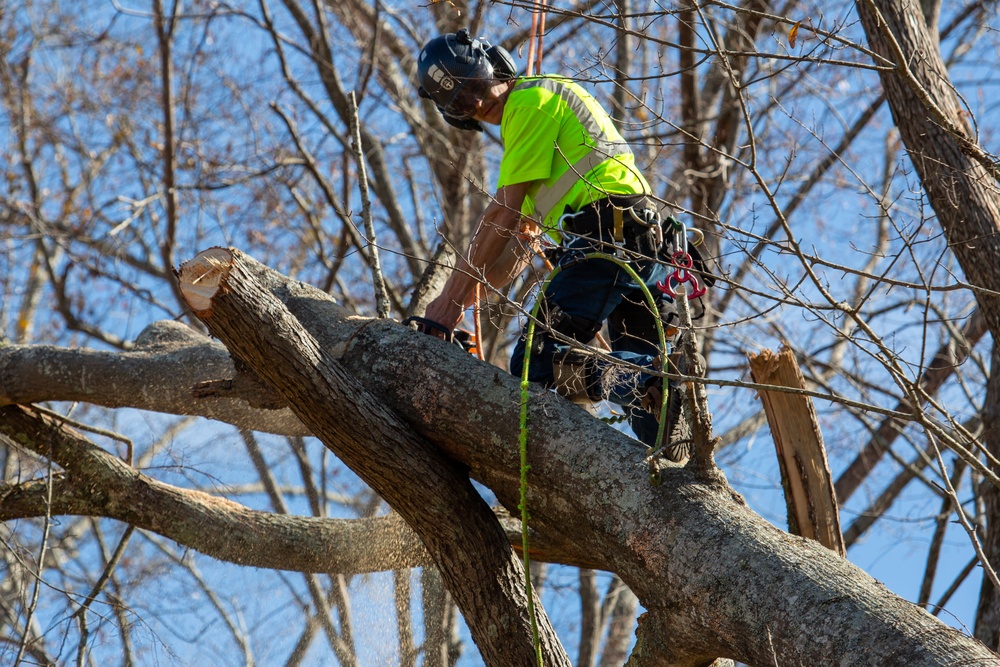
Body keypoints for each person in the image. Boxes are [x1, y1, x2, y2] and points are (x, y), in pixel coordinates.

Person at [416, 29, 691, 455]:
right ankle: (679, 456)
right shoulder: (542, 118)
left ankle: (653, 379)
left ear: (493, 67)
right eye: (462, 102)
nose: (478, 103)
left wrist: (445, 308)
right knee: (651, 408)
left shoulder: (527, 104)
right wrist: (469, 301)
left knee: (537, 364)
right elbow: (520, 242)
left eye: (475, 86)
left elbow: (499, 216)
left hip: (606, 236)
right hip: (641, 243)